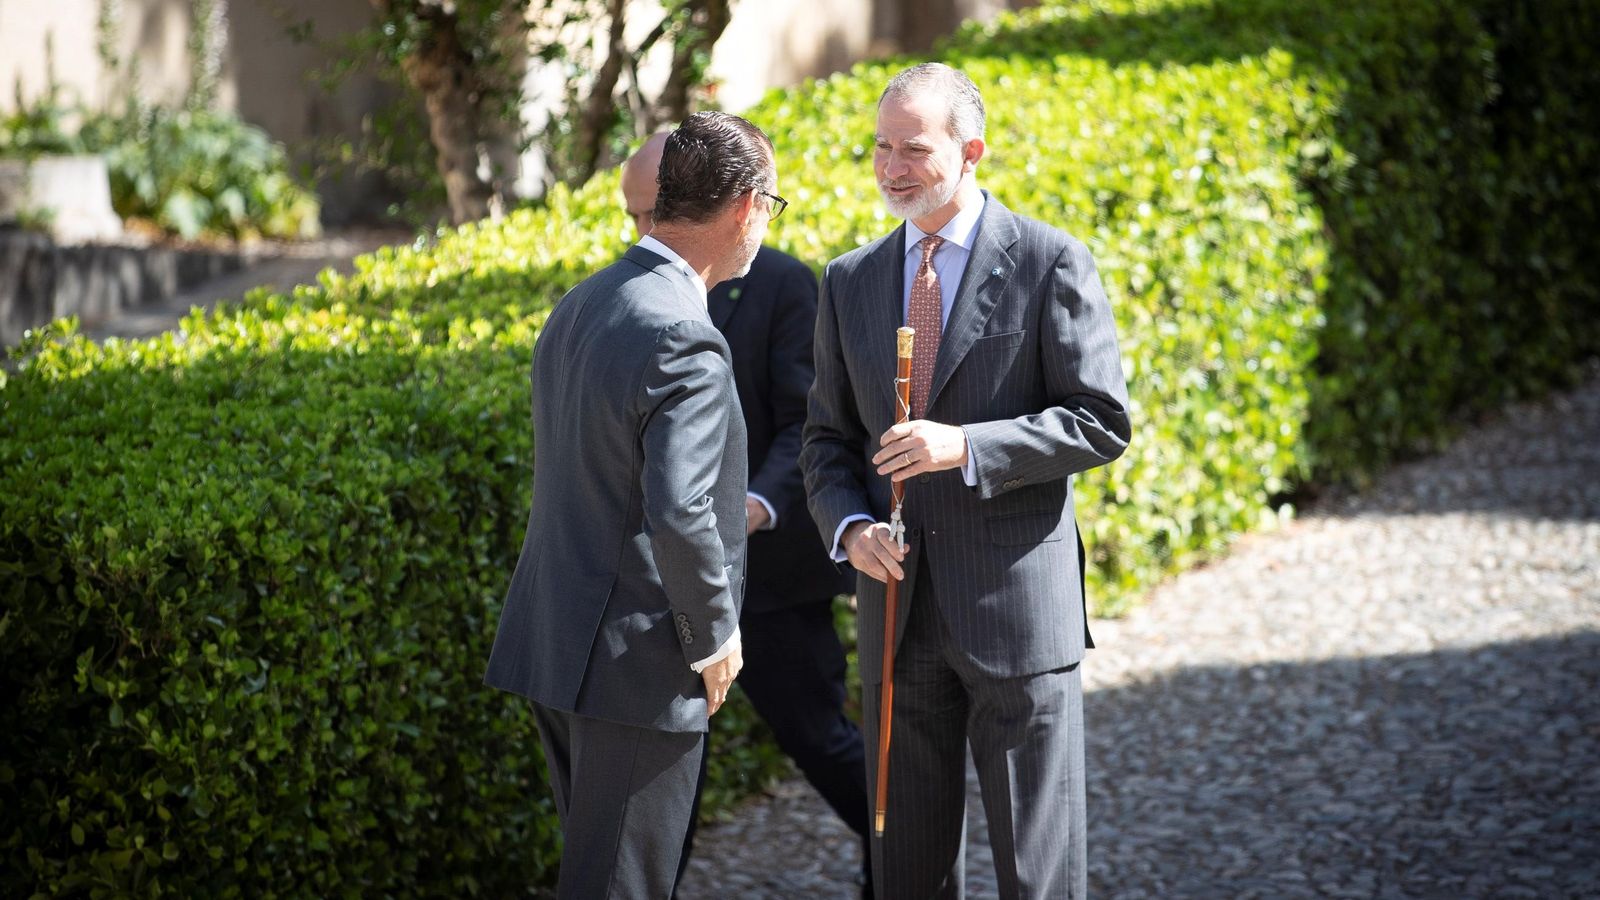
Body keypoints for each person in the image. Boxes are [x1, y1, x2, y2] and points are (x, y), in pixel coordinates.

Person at [799, 63, 1132, 898]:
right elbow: (827, 443)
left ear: (971, 150)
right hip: (895, 617)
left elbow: (1100, 421)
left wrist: (968, 448)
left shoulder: (1049, 260)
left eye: (913, 148)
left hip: (1017, 617)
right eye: (880, 147)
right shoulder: (848, 281)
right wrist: (849, 529)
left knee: (1038, 874)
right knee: (904, 872)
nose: (890, 167)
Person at [485, 110, 782, 899]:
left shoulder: (585, 300)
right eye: (773, 209)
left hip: (562, 645)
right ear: (747, 207)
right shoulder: (687, 334)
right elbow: (680, 513)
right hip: (636, 668)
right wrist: (713, 632)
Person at [621, 133, 873, 894]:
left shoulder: (788, 285)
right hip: (670, 578)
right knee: (664, 766)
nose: (642, 235)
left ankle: (911, 856)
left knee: (818, 735)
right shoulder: (633, 292)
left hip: (770, 578)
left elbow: (811, 421)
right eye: (632, 217)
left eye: (651, 212)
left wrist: (759, 503)